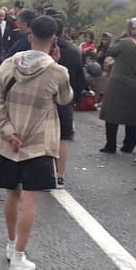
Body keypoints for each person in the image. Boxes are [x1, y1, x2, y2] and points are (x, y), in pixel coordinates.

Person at [0, 15, 72, 270]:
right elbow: (65, 99)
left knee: (12, 194)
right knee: (30, 199)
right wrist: (57, 64)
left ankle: (10, 244)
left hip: (9, 143)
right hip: (38, 144)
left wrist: (8, 131)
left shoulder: (9, 64)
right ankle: (19, 256)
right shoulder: (57, 72)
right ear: (54, 39)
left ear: (29, 36)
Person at [98, 18, 136, 154]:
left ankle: (111, 145)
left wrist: (120, 37)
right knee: (133, 116)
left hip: (119, 83)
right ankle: (129, 145)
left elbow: (110, 51)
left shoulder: (125, 43)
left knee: (112, 114)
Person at [52, 18, 87, 188]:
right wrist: (75, 99)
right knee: (63, 137)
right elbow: (80, 79)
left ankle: (42, 172)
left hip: (42, 99)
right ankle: (60, 175)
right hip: (65, 99)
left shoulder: (38, 50)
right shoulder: (73, 51)